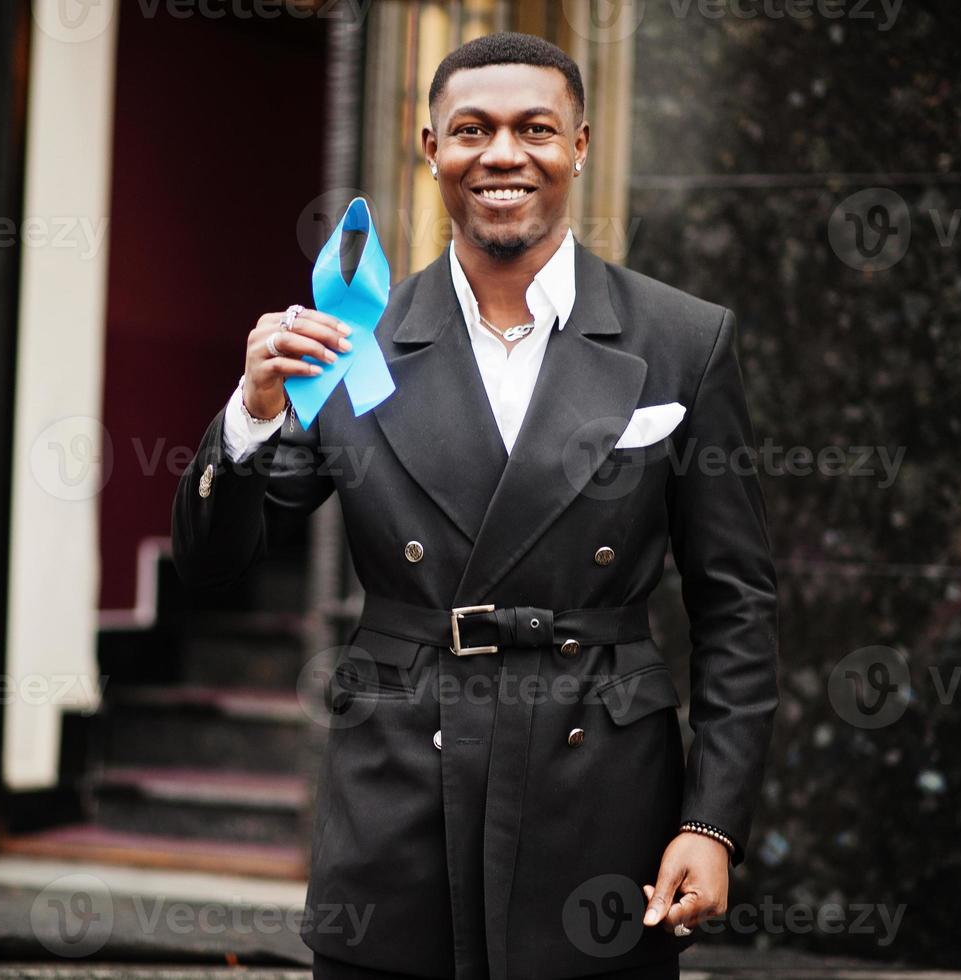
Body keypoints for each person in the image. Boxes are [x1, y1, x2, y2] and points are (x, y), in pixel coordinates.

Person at [172, 31, 779, 980]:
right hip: (398, 794)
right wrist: (250, 413)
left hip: (598, 794)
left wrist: (712, 823)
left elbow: (735, 605)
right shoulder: (351, 338)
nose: (502, 155)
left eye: (534, 128)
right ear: (431, 148)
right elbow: (215, 562)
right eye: (472, 130)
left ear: (579, 145)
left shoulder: (681, 339)